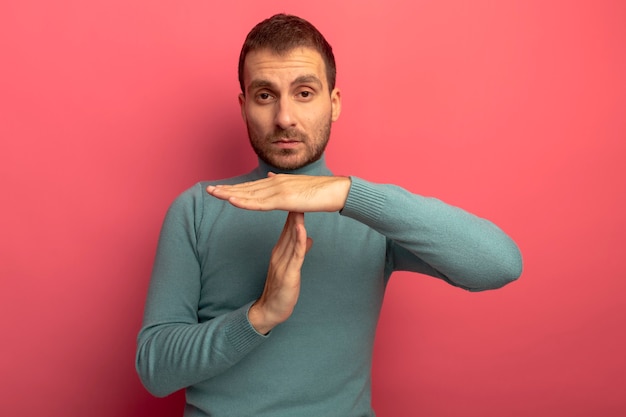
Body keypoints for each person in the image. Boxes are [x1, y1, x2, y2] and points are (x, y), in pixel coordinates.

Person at [135, 13, 522, 417]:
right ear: (244, 105)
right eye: (265, 95)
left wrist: (346, 192)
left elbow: (501, 264)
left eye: (304, 93)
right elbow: (154, 370)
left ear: (333, 104)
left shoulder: (369, 214)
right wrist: (260, 314)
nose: (284, 117)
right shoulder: (198, 209)